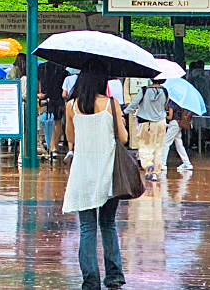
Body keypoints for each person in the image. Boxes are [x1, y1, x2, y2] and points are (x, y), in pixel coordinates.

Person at [64, 70, 128, 290]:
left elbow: (70, 138)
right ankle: (114, 276)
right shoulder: (112, 103)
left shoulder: (71, 106)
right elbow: (124, 137)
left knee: (87, 228)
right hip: (108, 172)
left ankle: (90, 280)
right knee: (108, 224)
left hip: (83, 173)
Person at [125, 78, 169, 181]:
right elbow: (164, 106)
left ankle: (148, 164)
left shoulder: (144, 90)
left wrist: (125, 111)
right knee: (158, 147)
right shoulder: (165, 91)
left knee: (145, 146)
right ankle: (155, 172)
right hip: (161, 122)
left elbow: (134, 103)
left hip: (146, 122)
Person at [38, 60, 69, 159]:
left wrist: (39, 93)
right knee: (57, 122)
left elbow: (37, 82)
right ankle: (54, 147)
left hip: (45, 98)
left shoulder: (41, 67)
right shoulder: (62, 70)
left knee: (45, 121)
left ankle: (46, 143)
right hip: (58, 98)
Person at [161, 99, 193, 173]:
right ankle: (186, 163)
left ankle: (163, 163)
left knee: (166, 143)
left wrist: (163, 115)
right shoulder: (179, 103)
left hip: (173, 124)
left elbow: (170, 116)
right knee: (179, 144)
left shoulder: (171, 103)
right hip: (178, 124)